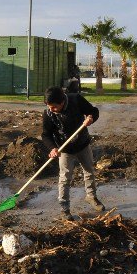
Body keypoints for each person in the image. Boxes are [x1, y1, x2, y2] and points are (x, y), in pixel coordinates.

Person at [41, 86, 104, 221]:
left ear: (62, 101)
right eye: (49, 106)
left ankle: (91, 197)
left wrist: (91, 118)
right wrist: (52, 148)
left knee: (89, 171)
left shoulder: (76, 99)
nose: (51, 109)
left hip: (82, 144)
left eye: (54, 107)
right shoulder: (48, 114)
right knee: (65, 178)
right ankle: (65, 208)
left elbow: (93, 111)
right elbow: (46, 135)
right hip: (64, 149)